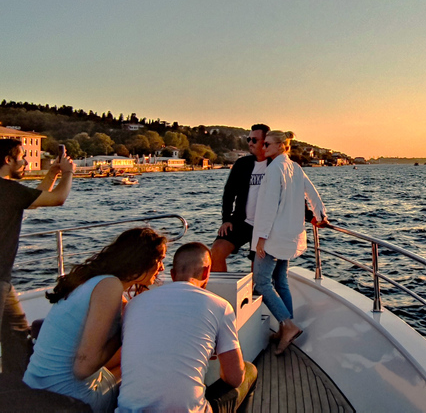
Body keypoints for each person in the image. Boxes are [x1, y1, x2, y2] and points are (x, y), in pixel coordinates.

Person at [23, 227, 167, 413]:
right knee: (147, 360)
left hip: (34, 388)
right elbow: (83, 369)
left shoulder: (92, 281)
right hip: (67, 398)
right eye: (160, 260)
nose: (162, 268)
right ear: (141, 259)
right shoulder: (109, 286)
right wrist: (126, 333)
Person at [117, 242, 257, 413]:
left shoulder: (134, 304)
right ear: (206, 272)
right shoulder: (220, 306)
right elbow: (234, 378)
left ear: (172, 274)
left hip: (128, 410)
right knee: (249, 371)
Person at [0, 139, 75, 376]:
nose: (25, 162)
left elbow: (34, 200)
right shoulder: (7, 190)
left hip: (4, 280)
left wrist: (53, 173)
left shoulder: (9, 191)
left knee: (18, 337)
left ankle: (19, 390)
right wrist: (68, 173)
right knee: (17, 338)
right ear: (7, 160)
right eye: (21, 157)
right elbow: (58, 198)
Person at [250, 130, 328, 355]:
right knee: (280, 280)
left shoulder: (274, 169)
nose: (263, 148)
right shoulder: (295, 167)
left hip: (274, 235)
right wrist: (320, 216)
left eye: (267, 144)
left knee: (262, 282)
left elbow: (268, 207)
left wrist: (261, 239)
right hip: (290, 235)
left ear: (280, 146)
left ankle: (288, 324)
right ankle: (286, 327)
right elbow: (312, 194)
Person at [211, 123, 270, 272]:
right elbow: (229, 193)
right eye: (248, 139)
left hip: (265, 226)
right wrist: (226, 220)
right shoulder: (242, 164)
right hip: (241, 221)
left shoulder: (276, 165)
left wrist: (312, 216)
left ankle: (255, 292)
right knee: (216, 252)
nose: (250, 143)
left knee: (257, 266)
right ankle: (223, 294)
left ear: (266, 142)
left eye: (254, 140)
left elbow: (294, 193)